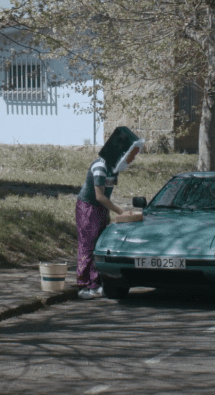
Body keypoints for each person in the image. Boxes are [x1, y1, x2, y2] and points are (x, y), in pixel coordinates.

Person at [76, 126, 144, 299]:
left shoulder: (114, 168)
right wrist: (120, 211)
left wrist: (108, 210)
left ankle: (95, 283)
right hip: (88, 207)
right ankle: (84, 286)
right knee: (88, 245)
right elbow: (99, 196)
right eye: (130, 154)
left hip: (100, 208)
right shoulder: (100, 167)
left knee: (98, 244)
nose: (132, 158)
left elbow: (107, 193)